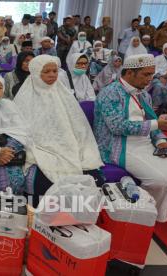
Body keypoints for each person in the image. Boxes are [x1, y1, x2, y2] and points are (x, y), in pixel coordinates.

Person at [94, 53, 167, 222]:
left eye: (152, 74)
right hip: (119, 146)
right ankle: (154, 214)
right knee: (161, 180)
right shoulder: (110, 93)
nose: (150, 79)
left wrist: (160, 140)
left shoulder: (143, 93)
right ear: (129, 73)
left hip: (146, 142)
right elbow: (117, 127)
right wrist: (157, 125)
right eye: (146, 74)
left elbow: (151, 119)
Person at [14, 55, 104, 206]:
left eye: (54, 71)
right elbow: (21, 129)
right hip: (41, 147)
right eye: (46, 71)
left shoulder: (63, 93)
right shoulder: (24, 96)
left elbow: (78, 125)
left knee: (92, 176)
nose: (51, 75)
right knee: (45, 181)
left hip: (69, 144)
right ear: (36, 73)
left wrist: (73, 144)